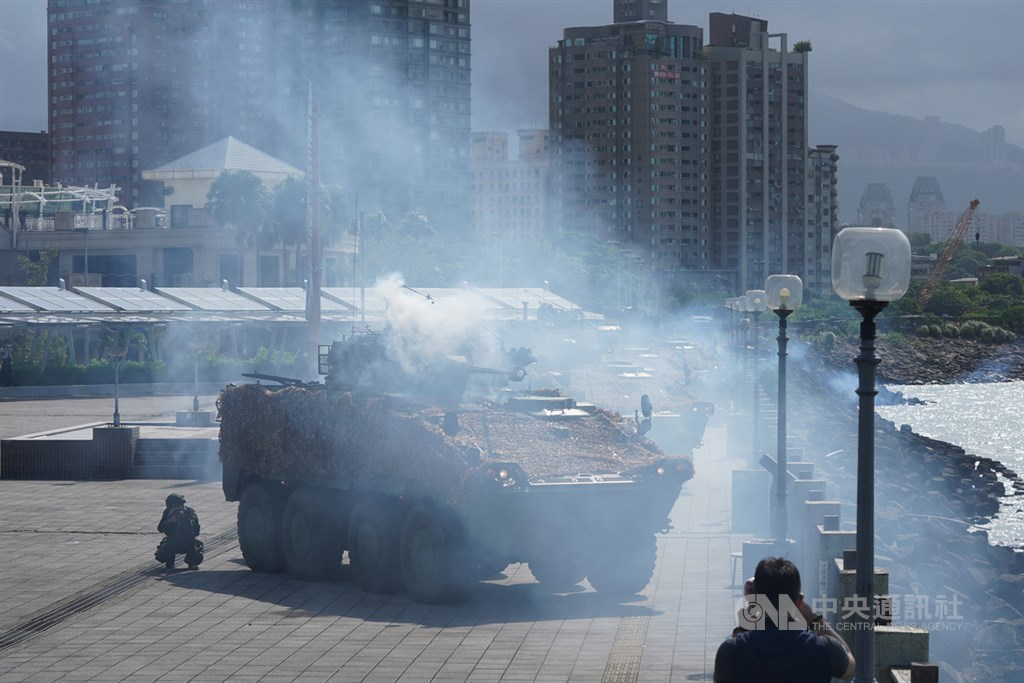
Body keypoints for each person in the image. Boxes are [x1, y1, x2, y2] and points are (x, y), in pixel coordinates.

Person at [713, 556, 855, 682]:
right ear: (799, 602)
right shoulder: (824, 648)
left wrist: (745, 627)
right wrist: (814, 619)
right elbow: (850, 665)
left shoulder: (731, 651)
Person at [155, 493, 204, 570]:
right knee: (162, 553)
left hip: (188, 541)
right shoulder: (168, 512)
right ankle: (169, 562)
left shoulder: (189, 512)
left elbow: (196, 531)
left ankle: (192, 563)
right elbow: (160, 528)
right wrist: (170, 521)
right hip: (173, 541)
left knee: (196, 550)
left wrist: (187, 520)